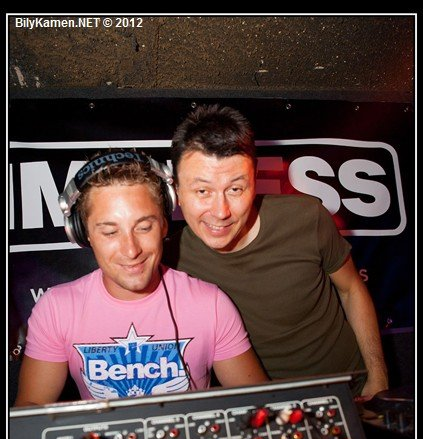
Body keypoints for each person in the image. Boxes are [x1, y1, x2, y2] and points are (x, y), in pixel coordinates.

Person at [163, 104, 388, 400]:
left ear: (255, 181)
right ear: (176, 190)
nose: (220, 212)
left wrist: (378, 377)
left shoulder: (306, 217)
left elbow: (351, 289)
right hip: (265, 410)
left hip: (352, 390)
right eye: (202, 191)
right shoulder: (170, 260)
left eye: (235, 189)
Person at [14, 149, 268, 407]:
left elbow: (261, 408)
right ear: (83, 233)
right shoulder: (56, 309)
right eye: (110, 232)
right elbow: (30, 411)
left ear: (164, 224)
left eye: (144, 227)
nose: (131, 250)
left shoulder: (211, 304)